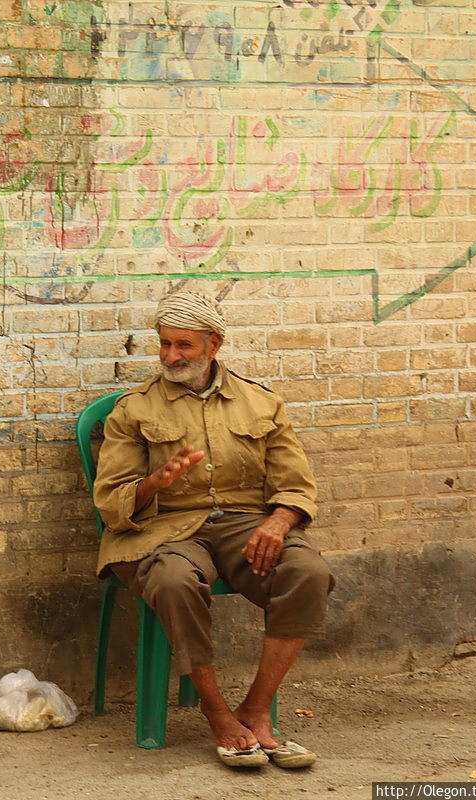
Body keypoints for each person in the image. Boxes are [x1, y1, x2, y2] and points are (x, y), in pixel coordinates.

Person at [93, 291, 334, 769]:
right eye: (163, 344)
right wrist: (155, 482)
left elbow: (296, 486)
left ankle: (257, 709)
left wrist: (280, 521)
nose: (169, 356)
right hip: (167, 530)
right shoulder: (134, 410)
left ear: (213, 344)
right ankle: (217, 711)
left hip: (244, 523)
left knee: (307, 571)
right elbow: (109, 502)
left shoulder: (261, 402)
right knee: (172, 580)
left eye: (183, 345)